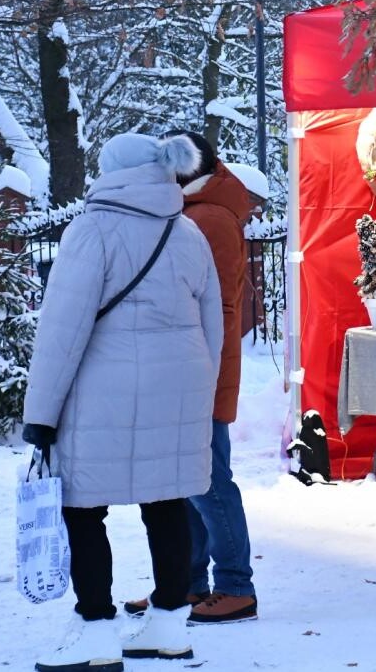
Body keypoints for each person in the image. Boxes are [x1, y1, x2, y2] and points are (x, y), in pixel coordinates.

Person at [22, 133, 222, 671]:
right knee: (167, 502)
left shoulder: (90, 229)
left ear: (111, 172)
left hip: (99, 395)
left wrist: (40, 415)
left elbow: (61, 330)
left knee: (83, 508)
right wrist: (201, 395)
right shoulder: (187, 233)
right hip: (177, 389)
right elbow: (212, 326)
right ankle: (167, 625)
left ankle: (94, 630)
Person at [125, 131, 258, 624]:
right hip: (189, 366)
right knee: (187, 479)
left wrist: (193, 367)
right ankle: (186, 583)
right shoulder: (196, 213)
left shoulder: (208, 219)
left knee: (207, 481)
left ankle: (235, 586)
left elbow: (214, 307)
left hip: (200, 369)